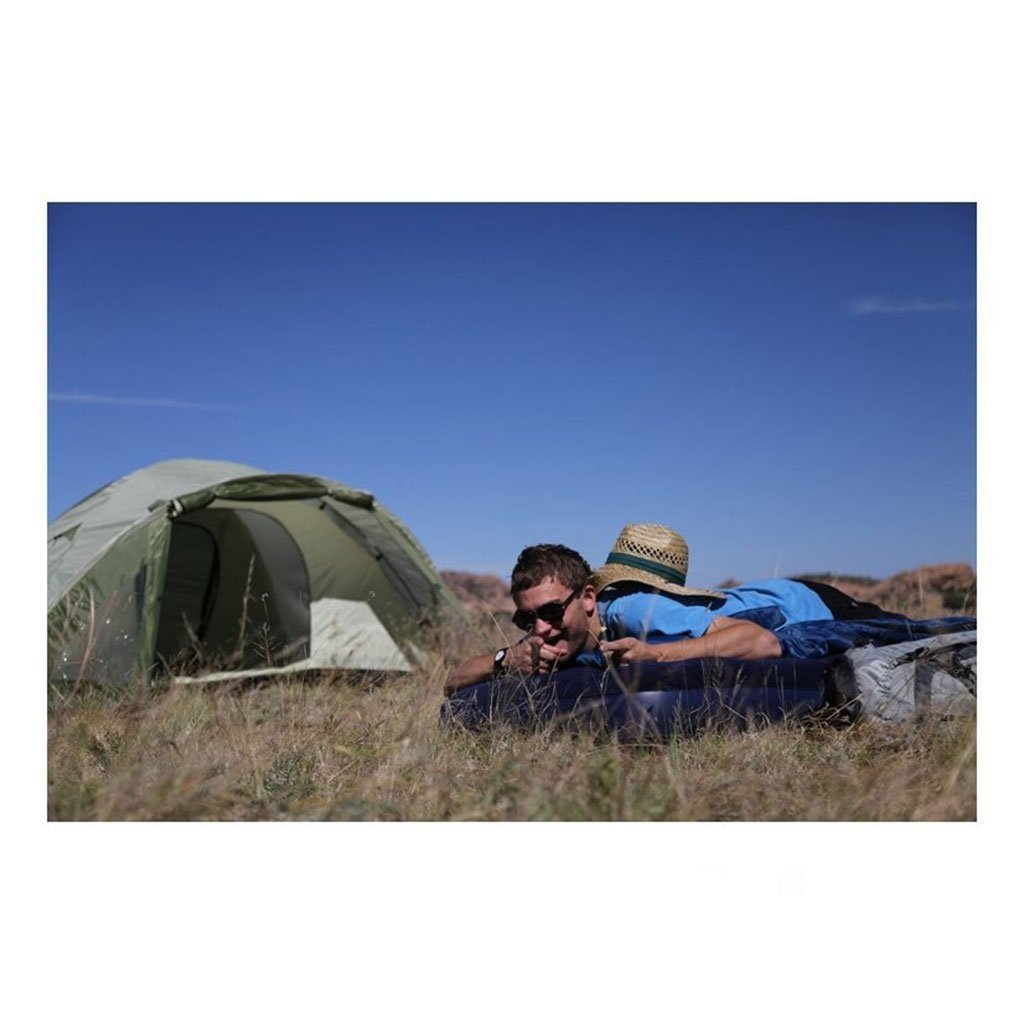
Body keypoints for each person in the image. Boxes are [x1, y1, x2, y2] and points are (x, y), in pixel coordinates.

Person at [444, 523, 900, 695]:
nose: (540, 629)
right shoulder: (549, 630)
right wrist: (504, 659)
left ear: (589, 598)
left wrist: (657, 654)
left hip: (812, 604)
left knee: (906, 631)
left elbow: (760, 642)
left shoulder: (639, 609)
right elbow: (451, 680)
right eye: (527, 619)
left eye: (549, 613)